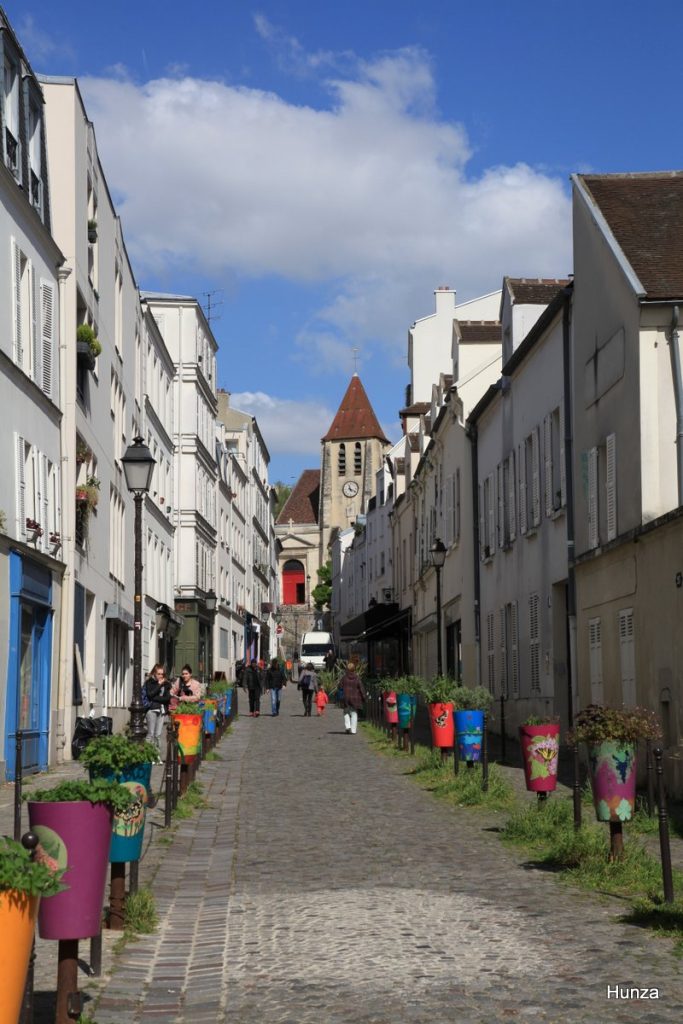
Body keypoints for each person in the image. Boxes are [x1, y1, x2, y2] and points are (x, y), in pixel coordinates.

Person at [145, 663, 171, 760]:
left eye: (162, 674)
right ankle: (148, 756)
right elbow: (150, 695)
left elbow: (167, 699)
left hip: (162, 710)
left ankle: (157, 756)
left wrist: (157, 698)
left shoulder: (167, 684)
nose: (161, 676)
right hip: (151, 710)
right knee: (150, 734)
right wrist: (159, 686)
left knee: (158, 735)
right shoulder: (149, 682)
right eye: (159, 674)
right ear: (154, 673)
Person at [340, 661, 366, 735]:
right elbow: (361, 688)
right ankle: (353, 730)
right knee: (354, 713)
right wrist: (364, 697)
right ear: (354, 669)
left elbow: (340, 687)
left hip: (346, 697)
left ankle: (348, 726)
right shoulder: (357, 678)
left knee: (346, 712)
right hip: (355, 698)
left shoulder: (344, 678)